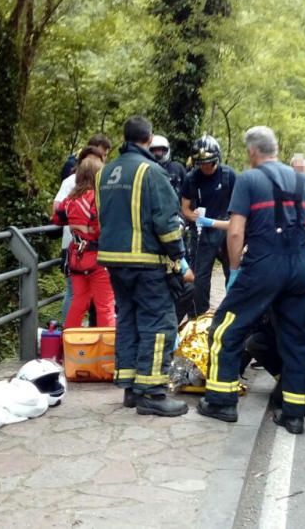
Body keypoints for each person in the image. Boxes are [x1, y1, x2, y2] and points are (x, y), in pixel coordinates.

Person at [197, 126, 305, 435]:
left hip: (261, 268)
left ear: (252, 152)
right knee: (298, 338)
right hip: (298, 267)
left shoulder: (249, 180)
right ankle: (294, 413)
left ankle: (221, 402)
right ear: (277, 148)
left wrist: (234, 271)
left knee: (224, 330)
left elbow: (235, 231)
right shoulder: (302, 181)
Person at [97, 116, 188, 416]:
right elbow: (166, 222)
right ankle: (152, 393)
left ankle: (131, 388)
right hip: (146, 262)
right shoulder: (152, 172)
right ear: (148, 139)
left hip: (113, 261)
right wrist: (178, 256)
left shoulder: (105, 172)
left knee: (128, 321)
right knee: (159, 323)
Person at [51, 151, 115, 329]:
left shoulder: (70, 200)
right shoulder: (99, 199)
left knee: (78, 303)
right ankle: (107, 352)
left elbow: (57, 218)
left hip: (77, 257)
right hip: (98, 258)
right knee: (105, 306)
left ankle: (69, 345)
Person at [180, 135, 238, 315]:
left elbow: (240, 210)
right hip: (202, 231)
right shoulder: (191, 179)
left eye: (209, 163)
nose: (205, 167)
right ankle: (200, 315)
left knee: (233, 272)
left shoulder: (229, 175)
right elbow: (185, 209)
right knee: (200, 277)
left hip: (226, 228)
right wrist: (195, 217)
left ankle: (232, 313)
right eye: (201, 163)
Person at [150, 135, 187, 201]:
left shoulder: (177, 168)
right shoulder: (147, 168)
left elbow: (187, 190)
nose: (157, 153)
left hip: (176, 207)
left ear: (166, 150)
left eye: (159, 150)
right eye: (154, 150)